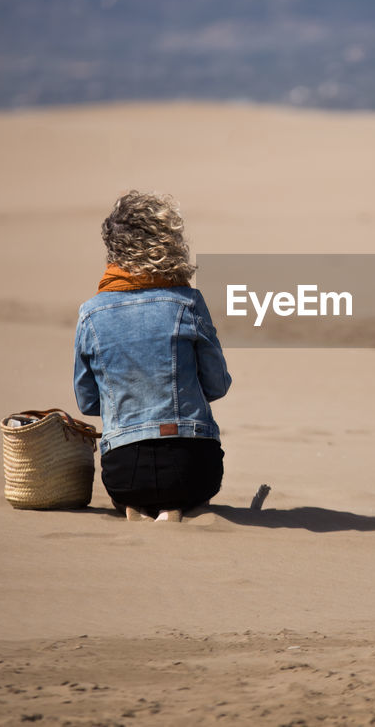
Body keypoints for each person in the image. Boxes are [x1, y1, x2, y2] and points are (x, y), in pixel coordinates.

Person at [73, 191, 231, 521]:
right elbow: (217, 385)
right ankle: (174, 509)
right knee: (191, 486)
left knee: (132, 483)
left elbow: (87, 403)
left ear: (113, 249)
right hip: (191, 465)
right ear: (169, 242)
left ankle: (136, 505)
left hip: (124, 471)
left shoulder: (90, 314)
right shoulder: (187, 302)